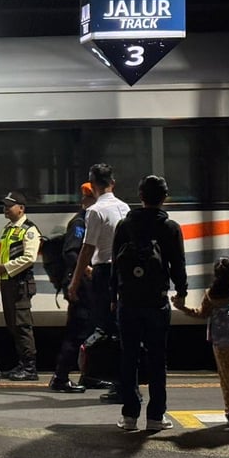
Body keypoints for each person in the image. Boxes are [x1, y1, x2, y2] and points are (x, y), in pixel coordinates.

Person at [111, 174, 188, 432]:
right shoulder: (170, 228)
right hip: (157, 301)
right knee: (157, 359)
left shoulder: (124, 225)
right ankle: (156, 416)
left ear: (140, 196)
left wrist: (113, 297)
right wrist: (181, 292)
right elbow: (178, 264)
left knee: (128, 358)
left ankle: (129, 416)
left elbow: (115, 265)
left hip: (128, 301)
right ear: (165, 197)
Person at [67, 163, 130, 402]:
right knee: (122, 327)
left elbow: (87, 249)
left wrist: (75, 281)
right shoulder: (125, 208)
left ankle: (118, 385)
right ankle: (126, 382)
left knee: (107, 328)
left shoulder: (95, 211)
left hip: (104, 273)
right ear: (112, 183)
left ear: (92, 186)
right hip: (123, 272)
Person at [175, 256, 229, 432]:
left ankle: (228, 410)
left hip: (219, 343)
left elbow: (201, 314)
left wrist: (182, 308)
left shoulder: (210, 295)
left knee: (225, 379)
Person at [48, 183, 95, 393]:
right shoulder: (80, 222)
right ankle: (61, 378)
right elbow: (70, 252)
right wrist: (87, 270)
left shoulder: (92, 219)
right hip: (82, 286)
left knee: (92, 332)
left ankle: (90, 375)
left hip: (89, 286)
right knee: (77, 331)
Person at [0, 191, 41, 381]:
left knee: (22, 326)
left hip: (20, 284)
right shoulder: (7, 229)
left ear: (21, 208)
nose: (5, 209)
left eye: (9, 206)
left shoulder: (29, 230)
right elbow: (1, 257)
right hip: (8, 283)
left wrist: (6, 268)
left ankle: (30, 368)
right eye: (4, 206)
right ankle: (22, 364)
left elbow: (30, 258)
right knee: (13, 325)